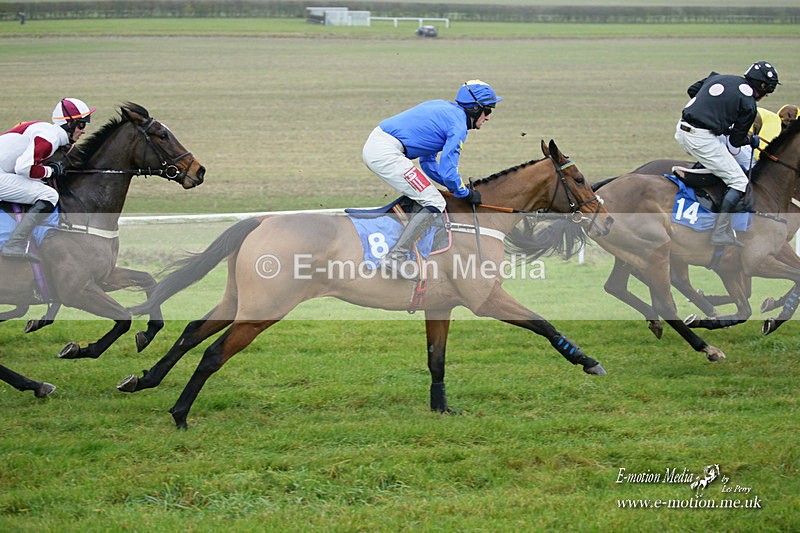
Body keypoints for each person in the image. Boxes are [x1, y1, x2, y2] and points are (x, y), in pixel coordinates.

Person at [362, 80, 503, 278]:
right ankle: (396, 256)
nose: (488, 118)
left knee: (428, 194)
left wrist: (454, 188)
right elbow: (447, 170)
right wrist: (463, 192)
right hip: (386, 152)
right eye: (488, 111)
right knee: (434, 201)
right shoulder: (458, 126)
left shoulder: (446, 111)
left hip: (381, 146)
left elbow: (428, 164)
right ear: (475, 108)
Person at [675, 61, 780, 247]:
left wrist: (714, 112)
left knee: (743, 159)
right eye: (768, 89)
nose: (767, 94)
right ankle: (719, 232)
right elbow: (736, 142)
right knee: (739, 181)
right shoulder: (749, 104)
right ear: (762, 85)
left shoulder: (718, 77)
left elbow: (693, 90)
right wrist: (752, 140)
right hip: (701, 138)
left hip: (684, 128)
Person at [0, 97, 95, 261]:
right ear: (69, 124)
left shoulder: (48, 131)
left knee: (40, 186)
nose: (83, 130)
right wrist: (49, 171)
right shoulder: (50, 138)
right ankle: (14, 244)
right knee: (49, 195)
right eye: (81, 125)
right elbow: (23, 168)